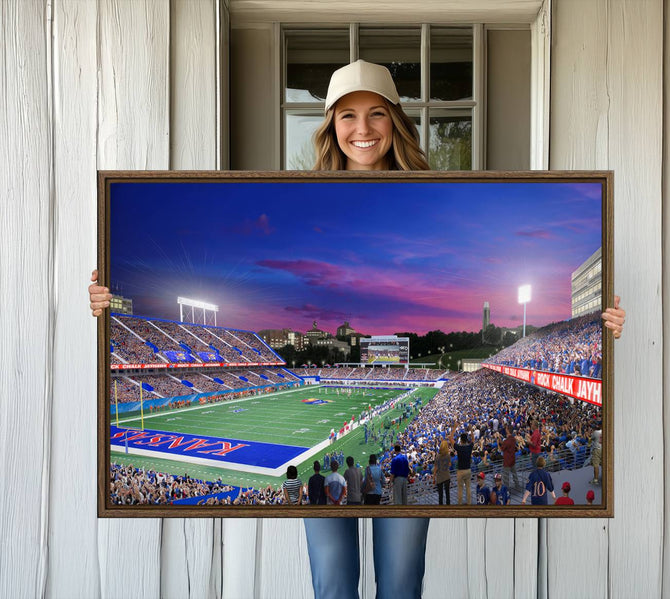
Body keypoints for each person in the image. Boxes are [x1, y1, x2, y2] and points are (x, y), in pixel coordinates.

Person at [88, 59, 625, 599]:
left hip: (394, 478)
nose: (362, 129)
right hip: (334, 484)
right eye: (347, 116)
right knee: (333, 584)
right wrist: (107, 302)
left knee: (400, 584)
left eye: (375, 114)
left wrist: (599, 325)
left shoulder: (434, 195)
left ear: (395, 120)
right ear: (330, 126)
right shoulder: (299, 195)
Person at [450, 423, 473, 505]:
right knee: (468, 488)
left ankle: (460, 505)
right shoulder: (469, 447)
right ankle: (469, 503)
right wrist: (471, 430)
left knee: (460, 489)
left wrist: (454, 427)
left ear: (461, 440)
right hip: (468, 469)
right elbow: (473, 440)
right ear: (466, 439)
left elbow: (451, 439)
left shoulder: (459, 447)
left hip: (460, 471)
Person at [433, 440, 451, 505]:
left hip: (440, 477)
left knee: (440, 496)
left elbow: (435, 468)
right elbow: (449, 464)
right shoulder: (448, 455)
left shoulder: (437, 456)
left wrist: (433, 477)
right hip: (447, 476)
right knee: (447, 494)